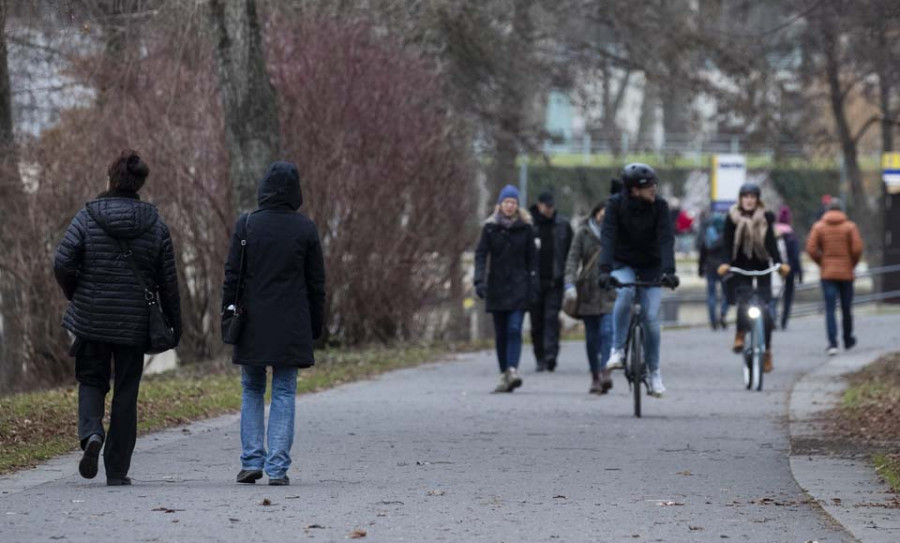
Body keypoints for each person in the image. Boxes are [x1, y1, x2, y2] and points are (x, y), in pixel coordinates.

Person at [54, 150, 182, 486]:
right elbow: (168, 282)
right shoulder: (155, 223)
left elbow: (62, 261)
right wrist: (175, 324)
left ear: (111, 178)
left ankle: (92, 433)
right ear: (140, 183)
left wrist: (75, 291)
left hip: (91, 318)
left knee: (92, 380)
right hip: (134, 323)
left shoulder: (88, 216)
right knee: (127, 391)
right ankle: (117, 469)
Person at [222, 161, 326, 486]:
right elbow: (316, 284)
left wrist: (227, 315)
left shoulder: (247, 224)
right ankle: (278, 468)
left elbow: (232, 276)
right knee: (283, 392)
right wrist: (316, 326)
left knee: (251, 389)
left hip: (251, 320)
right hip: (291, 323)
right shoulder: (305, 229)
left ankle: (251, 460)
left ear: (263, 188)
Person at [598, 163, 679, 398]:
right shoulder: (614, 205)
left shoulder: (661, 206)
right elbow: (608, 237)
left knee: (651, 318)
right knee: (624, 293)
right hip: (622, 263)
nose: (654, 189)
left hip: (651, 266)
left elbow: (666, 239)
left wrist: (669, 271)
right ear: (633, 190)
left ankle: (654, 374)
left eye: (655, 184)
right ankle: (618, 350)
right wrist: (604, 271)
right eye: (648, 186)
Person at [717, 183, 789, 373]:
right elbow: (726, 244)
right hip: (740, 268)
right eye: (745, 196)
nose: (749, 200)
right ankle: (740, 333)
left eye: (752, 197)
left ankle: (767, 352)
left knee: (765, 312)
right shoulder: (731, 219)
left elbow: (772, 244)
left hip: (762, 267)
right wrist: (725, 263)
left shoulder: (765, 218)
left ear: (758, 200)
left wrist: (780, 264)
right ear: (740, 199)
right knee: (743, 302)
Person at [474, 185, 538, 393]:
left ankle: (512, 369)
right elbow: (481, 255)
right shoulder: (490, 228)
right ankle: (504, 374)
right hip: (497, 286)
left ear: (517, 206)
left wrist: (534, 284)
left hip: (519, 286)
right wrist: (479, 281)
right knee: (501, 333)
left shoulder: (526, 228)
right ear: (500, 205)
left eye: (513, 202)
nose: (510, 206)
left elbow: (533, 260)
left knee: (514, 329)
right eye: (507, 202)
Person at [564, 201, 618, 393]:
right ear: (596, 213)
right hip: (587, 292)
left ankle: (606, 372)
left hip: (610, 291)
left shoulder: (616, 233)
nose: (605, 217)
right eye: (603, 213)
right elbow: (572, 259)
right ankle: (595, 375)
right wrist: (569, 283)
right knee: (591, 338)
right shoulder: (583, 233)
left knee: (607, 333)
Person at [805, 198, 863, 356]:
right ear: (841, 210)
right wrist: (852, 263)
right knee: (846, 308)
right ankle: (848, 338)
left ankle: (832, 343)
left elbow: (811, 248)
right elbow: (857, 248)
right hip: (846, 273)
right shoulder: (850, 227)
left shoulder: (819, 226)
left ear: (827, 210)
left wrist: (821, 262)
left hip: (828, 273)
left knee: (830, 309)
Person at [529, 190, 574, 372]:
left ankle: (550, 355)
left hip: (555, 281)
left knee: (551, 319)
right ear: (539, 205)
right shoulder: (529, 226)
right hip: (534, 282)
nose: (549, 209)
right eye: (546, 206)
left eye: (551, 206)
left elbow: (571, 253)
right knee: (536, 322)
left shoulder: (563, 226)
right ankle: (539, 356)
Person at [697, 210, 729, 330]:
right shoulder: (726, 235)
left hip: (710, 267)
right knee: (726, 294)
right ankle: (723, 314)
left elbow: (702, 254)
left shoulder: (708, 235)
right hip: (724, 268)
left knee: (711, 295)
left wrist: (700, 269)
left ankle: (712, 320)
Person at [774, 205, 803, 329]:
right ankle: (784, 320)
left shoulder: (773, 234)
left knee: (774, 294)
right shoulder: (792, 236)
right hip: (790, 270)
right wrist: (800, 273)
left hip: (776, 269)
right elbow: (796, 256)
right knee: (788, 295)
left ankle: (772, 315)